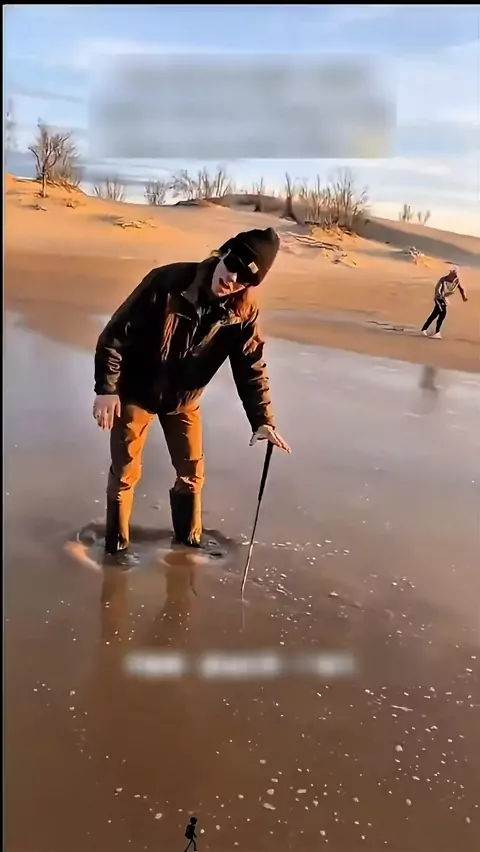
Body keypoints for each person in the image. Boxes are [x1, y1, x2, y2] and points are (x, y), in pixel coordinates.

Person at [93, 227, 291, 567]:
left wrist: (263, 421)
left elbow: (251, 366)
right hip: (135, 393)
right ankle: (116, 548)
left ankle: (187, 543)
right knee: (125, 473)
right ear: (223, 253)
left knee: (192, 472)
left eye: (246, 279)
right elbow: (114, 336)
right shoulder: (166, 282)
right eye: (234, 266)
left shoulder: (243, 312)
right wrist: (106, 390)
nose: (233, 280)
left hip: (183, 400)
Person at [421, 268, 467, 339]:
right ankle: (437, 332)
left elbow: (461, 289)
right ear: (451, 274)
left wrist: (464, 297)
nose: (455, 277)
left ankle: (424, 329)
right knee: (443, 313)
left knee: (434, 315)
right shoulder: (443, 280)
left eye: (456, 275)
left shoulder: (456, 281)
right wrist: (439, 295)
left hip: (444, 299)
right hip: (438, 298)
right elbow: (437, 289)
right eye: (454, 275)